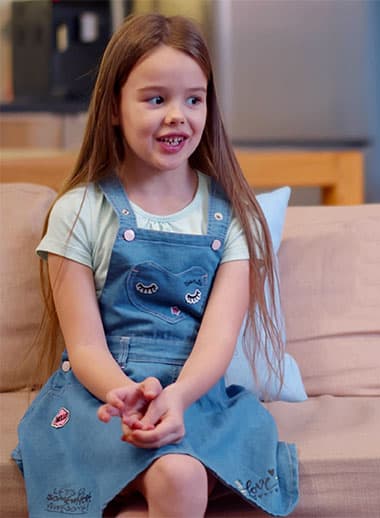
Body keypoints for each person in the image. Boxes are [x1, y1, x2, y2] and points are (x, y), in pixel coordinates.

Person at [12, 13, 299, 518]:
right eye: (155, 99)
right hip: (103, 398)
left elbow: (217, 340)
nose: (178, 115)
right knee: (176, 475)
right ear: (115, 109)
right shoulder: (79, 210)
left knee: (174, 476)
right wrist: (129, 398)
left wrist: (178, 397)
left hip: (196, 396)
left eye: (194, 98)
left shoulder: (233, 215)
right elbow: (83, 345)